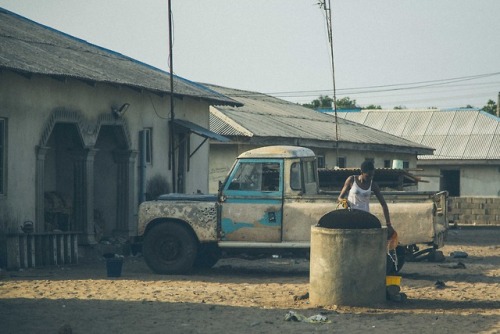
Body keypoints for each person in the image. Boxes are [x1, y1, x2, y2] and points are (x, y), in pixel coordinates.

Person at [338, 160, 395, 237]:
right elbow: (340, 197)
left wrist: (388, 224)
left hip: (365, 217)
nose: (370, 178)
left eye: (372, 176)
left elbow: (383, 204)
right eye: (368, 176)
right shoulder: (351, 180)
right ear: (362, 172)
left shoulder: (373, 185)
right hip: (351, 216)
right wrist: (344, 201)